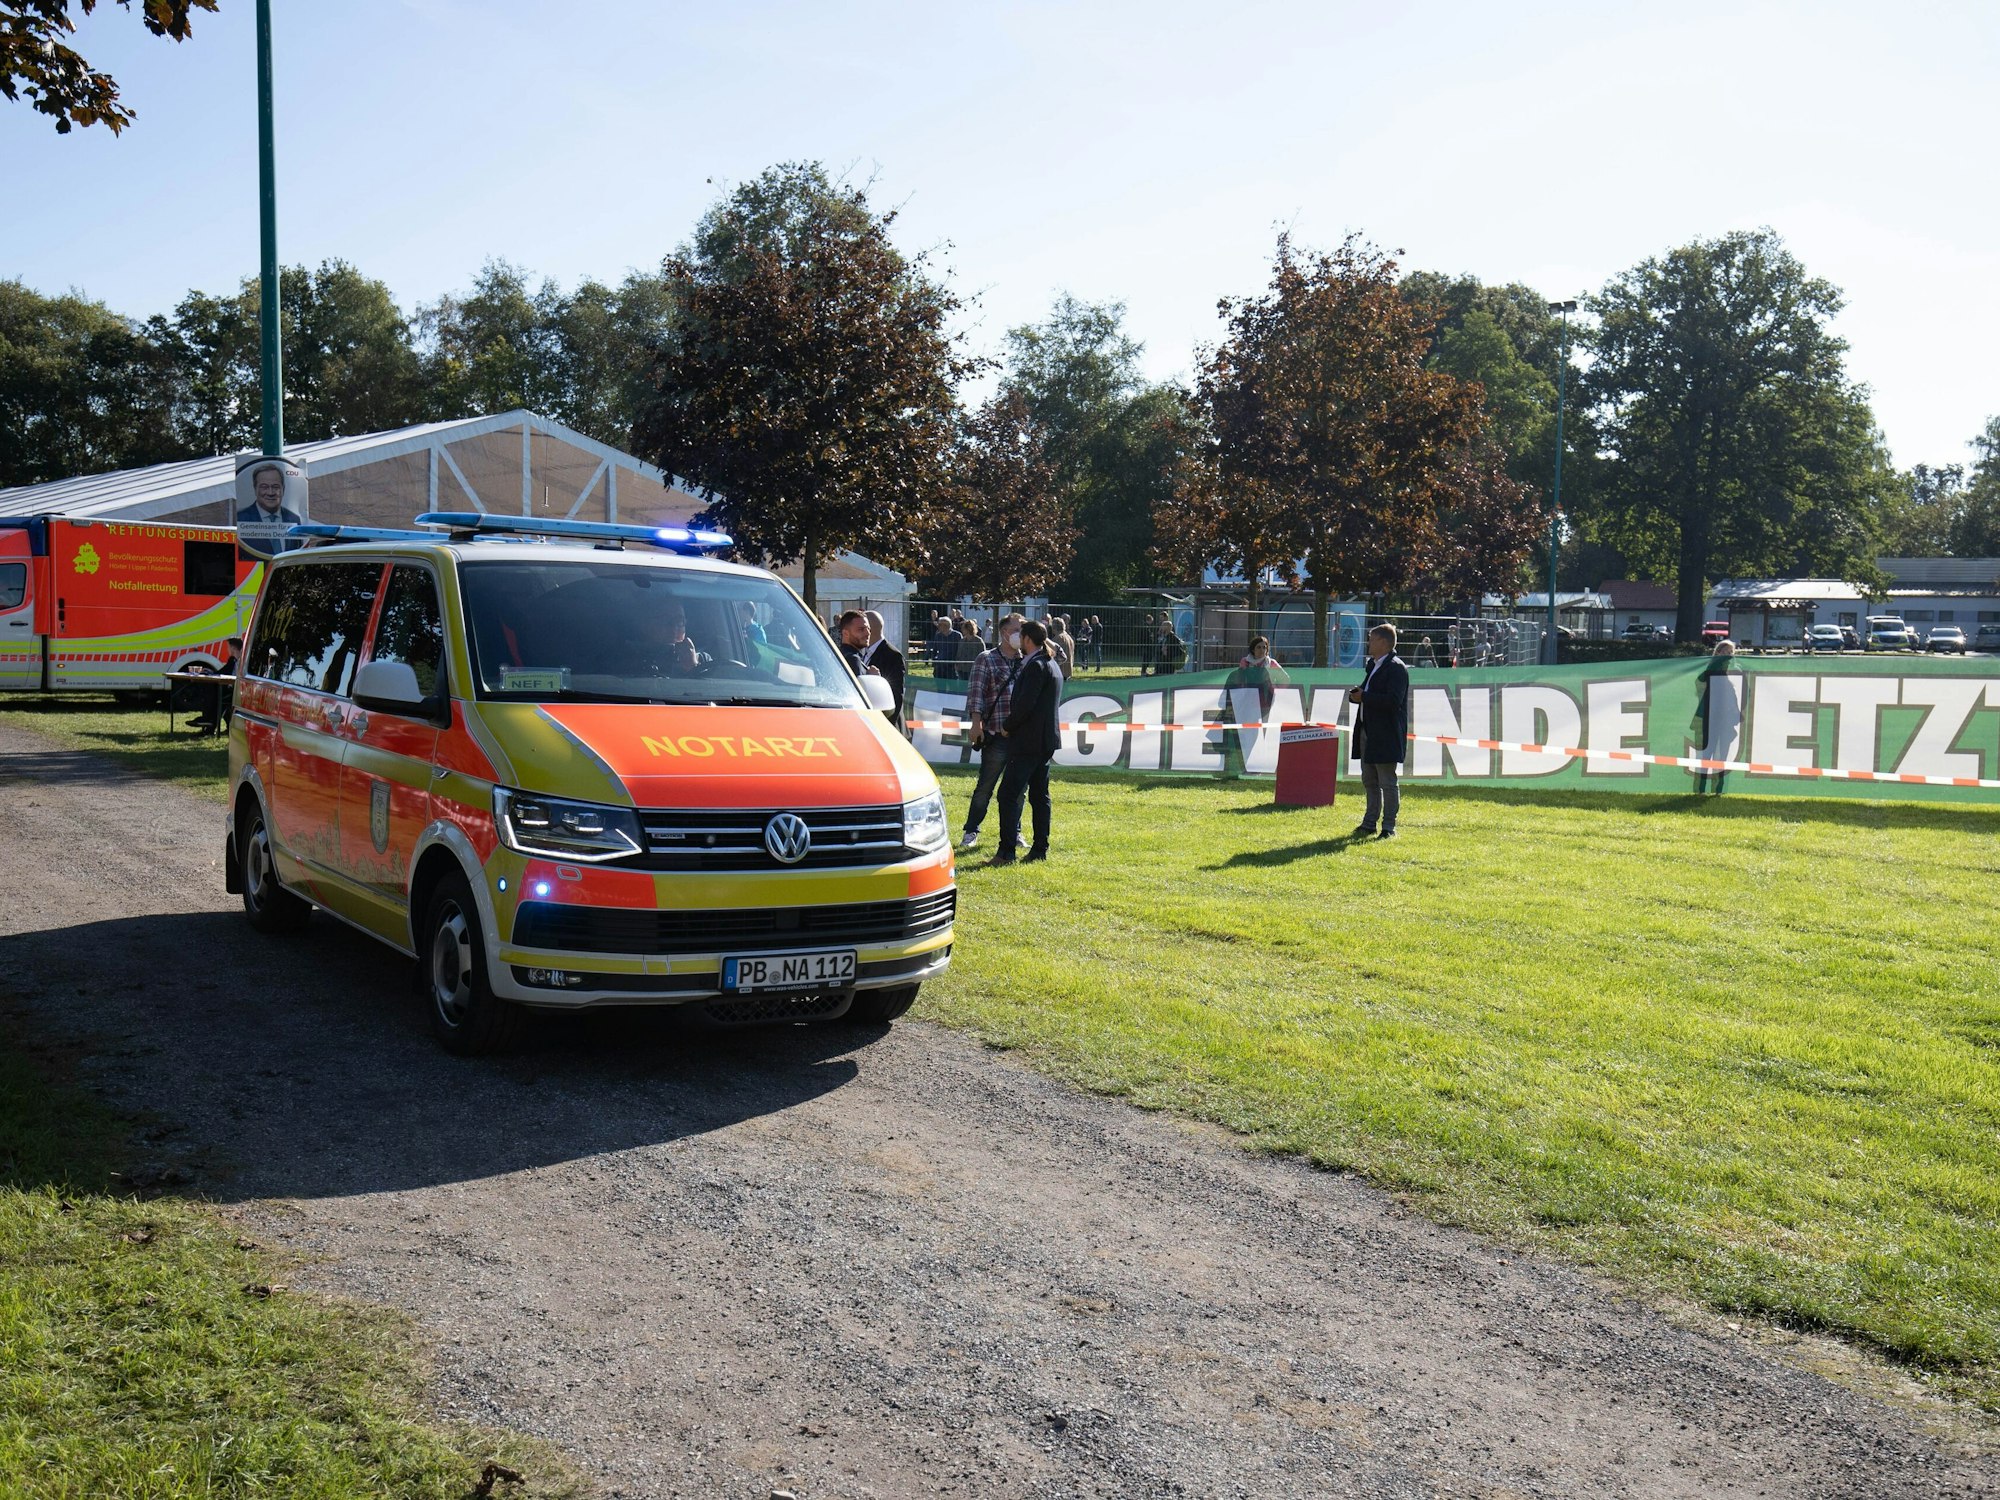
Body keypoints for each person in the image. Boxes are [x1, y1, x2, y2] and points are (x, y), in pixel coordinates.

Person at [992, 619, 1061, 864]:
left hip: (1028, 742)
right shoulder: (1050, 663)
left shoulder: (1035, 666)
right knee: (1040, 796)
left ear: (1027, 640)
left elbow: (1025, 705)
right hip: (1044, 741)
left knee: (1008, 794)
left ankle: (1006, 851)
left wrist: (1008, 726)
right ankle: (1039, 849)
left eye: (1020, 636)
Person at [957, 613, 1025, 852]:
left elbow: (1060, 655)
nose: (1021, 633)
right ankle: (971, 830)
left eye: (1024, 629)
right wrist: (976, 724)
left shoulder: (1028, 658)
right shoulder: (986, 658)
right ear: (1004, 632)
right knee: (985, 786)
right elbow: (976, 694)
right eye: (1017, 629)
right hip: (996, 734)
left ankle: (1015, 831)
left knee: (1018, 790)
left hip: (1021, 737)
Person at [1348, 623, 1410, 839]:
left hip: (1385, 734)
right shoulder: (1373, 665)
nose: (1368, 643)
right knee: (1369, 780)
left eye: (1372, 639)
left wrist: (1364, 697)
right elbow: (1368, 691)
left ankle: (1389, 827)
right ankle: (1369, 823)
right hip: (1368, 732)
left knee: (1387, 782)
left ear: (1383, 642)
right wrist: (1357, 694)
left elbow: (1394, 701)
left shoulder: (1396, 668)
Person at [1692, 639, 1741, 795]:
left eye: (1730, 653)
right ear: (1717, 653)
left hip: (1725, 722)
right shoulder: (1710, 671)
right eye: (1724, 652)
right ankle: (1700, 790)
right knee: (1706, 754)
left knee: (1722, 757)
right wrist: (1723, 659)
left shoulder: (1731, 676)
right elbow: (1703, 677)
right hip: (1707, 719)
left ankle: (1718, 790)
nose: (1728, 656)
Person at [862, 609, 906, 730]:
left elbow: (896, 696)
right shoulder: (864, 651)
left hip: (886, 726)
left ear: (869, 630)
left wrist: (885, 728)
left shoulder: (892, 655)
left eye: (862, 628)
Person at [236, 463, 301, 527]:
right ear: (255, 489)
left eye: (275, 487)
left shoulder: (295, 519)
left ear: (283, 489)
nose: (270, 493)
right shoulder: (241, 517)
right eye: (264, 487)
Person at [835, 609, 876, 679]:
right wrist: (874, 678)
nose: (868, 633)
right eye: (861, 629)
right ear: (845, 633)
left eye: (868, 629)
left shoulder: (837, 654)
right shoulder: (853, 659)